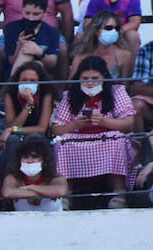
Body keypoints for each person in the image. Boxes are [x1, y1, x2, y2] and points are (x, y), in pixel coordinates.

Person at [50, 56, 136, 208]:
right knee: (62, 142)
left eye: (95, 78)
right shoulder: (70, 95)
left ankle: (119, 193)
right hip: (79, 137)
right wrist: (75, 124)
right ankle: (66, 194)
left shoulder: (116, 91)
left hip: (107, 135)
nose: (90, 83)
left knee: (116, 138)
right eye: (85, 78)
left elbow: (129, 123)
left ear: (104, 77)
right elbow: (56, 128)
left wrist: (103, 121)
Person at [0, 0, 72, 80]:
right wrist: (20, 46)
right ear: (22, 10)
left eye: (36, 14)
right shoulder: (11, 28)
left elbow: (67, 13)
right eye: (27, 13)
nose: (31, 18)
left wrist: (39, 53)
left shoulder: (52, 32)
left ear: (44, 13)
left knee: (62, 49)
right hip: (13, 34)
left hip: (46, 35)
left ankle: (60, 93)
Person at [0, 61, 53, 164]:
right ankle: (9, 177)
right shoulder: (10, 94)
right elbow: (12, 124)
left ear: (39, 83)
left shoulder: (46, 95)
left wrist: (13, 129)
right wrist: (28, 104)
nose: (28, 83)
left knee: (35, 137)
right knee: (12, 139)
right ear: (17, 81)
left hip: (38, 136)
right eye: (24, 80)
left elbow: (41, 129)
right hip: (17, 134)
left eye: (32, 81)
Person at [2, 133, 68, 209]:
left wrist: (30, 187)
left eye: (35, 156)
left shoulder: (56, 178)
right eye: (26, 157)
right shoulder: (13, 178)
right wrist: (47, 192)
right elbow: (7, 193)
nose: (30, 161)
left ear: (44, 160)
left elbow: (60, 191)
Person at [67, 10, 135, 80]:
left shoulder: (124, 55)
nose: (113, 31)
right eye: (108, 28)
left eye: (117, 28)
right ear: (96, 31)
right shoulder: (81, 56)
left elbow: (125, 85)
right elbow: (72, 84)